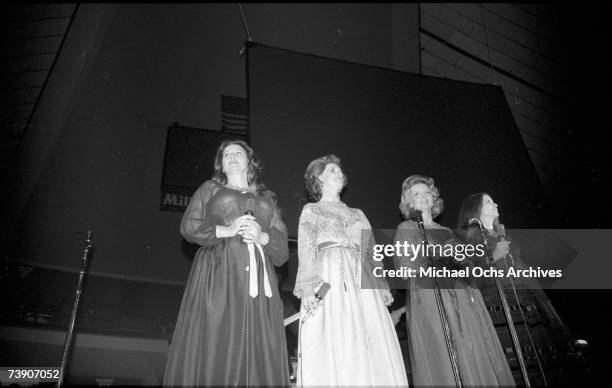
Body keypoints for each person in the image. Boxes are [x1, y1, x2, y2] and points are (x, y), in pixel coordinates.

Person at [163, 140, 290, 387]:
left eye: (238, 153)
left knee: (256, 341)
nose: (232, 157)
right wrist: (228, 229)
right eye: (227, 154)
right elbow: (189, 226)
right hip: (220, 270)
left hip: (258, 276)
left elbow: (282, 249)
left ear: (249, 161)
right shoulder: (210, 188)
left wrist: (261, 236)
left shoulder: (266, 197)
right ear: (221, 163)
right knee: (216, 335)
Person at [294, 154, 408, 386]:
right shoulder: (312, 210)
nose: (339, 172)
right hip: (328, 275)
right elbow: (306, 249)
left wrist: (381, 284)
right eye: (332, 170)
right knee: (336, 330)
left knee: (371, 331)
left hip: (361, 276)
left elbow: (371, 251)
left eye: (339, 170)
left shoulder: (358, 213)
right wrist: (308, 287)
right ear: (318, 178)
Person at [393, 175, 514, 387]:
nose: (423, 197)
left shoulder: (446, 232)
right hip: (431, 298)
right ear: (409, 202)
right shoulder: (407, 228)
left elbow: (467, 268)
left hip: (461, 297)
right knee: (446, 352)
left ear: (434, 198)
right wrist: (444, 259)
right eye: (416, 194)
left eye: (427, 192)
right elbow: (406, 270)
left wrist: (466, 260)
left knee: (471, 349)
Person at [457, 192, 579, 385]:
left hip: (525, 300)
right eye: (488, 201)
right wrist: (493, 257)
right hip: (500, 304)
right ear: (476, 209)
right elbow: (470, 277)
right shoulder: (470, 242)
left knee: (540, 355)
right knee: (516, 356)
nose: (495, 203)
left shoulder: (505, 235)